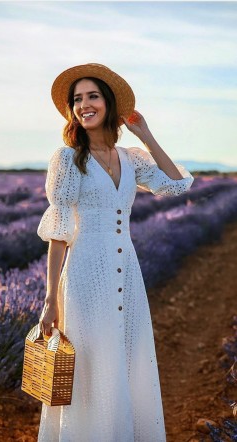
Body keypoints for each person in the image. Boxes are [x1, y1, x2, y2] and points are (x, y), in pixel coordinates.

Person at [37, 63, 194, 442]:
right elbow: (59, 233)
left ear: (108, 103)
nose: (84, 105)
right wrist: (50, 299)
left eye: (92, 96)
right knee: (90, 364)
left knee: (125, 359)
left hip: (127, 270)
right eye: (77, 99)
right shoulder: (68, 158)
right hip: (86, 274)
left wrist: (147, 134)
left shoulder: (131, 157)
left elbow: (176, 185)